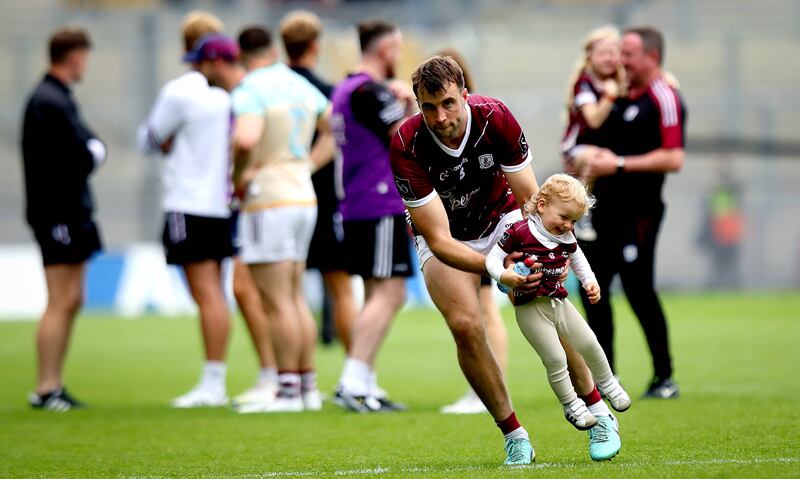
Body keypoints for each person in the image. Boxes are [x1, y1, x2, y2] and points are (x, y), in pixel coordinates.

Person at [390, 55, 623, 464]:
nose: (440, 117)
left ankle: (598, 411)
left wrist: (536, 253)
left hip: (505, 218)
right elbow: (439, 238)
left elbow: (532, 203)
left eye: (447, 103)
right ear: (418, 105)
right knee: (465, 325)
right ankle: (514, 434)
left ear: (464, 95)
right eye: (428, 107)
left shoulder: (494, 117)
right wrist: (498, 272)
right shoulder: (406, 143)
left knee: (548, 307)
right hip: (447, 235)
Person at [138, 14, 241, 408]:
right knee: (218, 293)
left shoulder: (182, 90)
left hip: (189, 202)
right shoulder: (233, 90)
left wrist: (167, 140)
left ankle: (213, 383)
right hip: (223, 203)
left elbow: (149, 138)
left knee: (207, 295)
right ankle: (229, 378)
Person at [579, 26, 686, 399]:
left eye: (629, 54)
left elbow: (674, 158)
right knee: (595, 291)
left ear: (652, 58)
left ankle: (664, 376)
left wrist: (620, 164)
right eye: (619, 53)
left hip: (640, 213)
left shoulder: (664, 96)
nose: (621, 61)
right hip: (603, 211)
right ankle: (606, 377)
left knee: (639, 290)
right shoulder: (616, 94)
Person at [231, 25, 331, 413]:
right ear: (272, 50)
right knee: (293, 295)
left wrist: (239, 175)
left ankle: (287, 391)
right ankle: (305, 387)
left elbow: (244, 138)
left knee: (276, 300)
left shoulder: (249, 89)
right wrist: (308, 164)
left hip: (268, 198)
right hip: (303, 194)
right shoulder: (295, 82)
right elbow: (331, 123)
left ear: (242, 55)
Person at [485, 174, 631, 433]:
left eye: (574, 220)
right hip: (531, 308)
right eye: (564, 217)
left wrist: (590, 282)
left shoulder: (565, 235)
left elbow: (578, 258)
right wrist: (503, 275)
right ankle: (571, 405)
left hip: (559, 302)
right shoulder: (520, 231)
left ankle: (609, 384)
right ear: (541, 206)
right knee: (555, 358)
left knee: (589, 342)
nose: (568, 226)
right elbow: (493, 258)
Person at [330, 19, 417, 413]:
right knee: (392, 292)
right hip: (380, 200)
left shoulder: (345, 89)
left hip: (356, 201)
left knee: (374, 294)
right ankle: (351, 381)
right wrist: (410, 106)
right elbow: (404, 139)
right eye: (396, 49)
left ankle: (366, 384)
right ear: (385, 51)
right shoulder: (370, 90)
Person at [23, 27, 106, 411]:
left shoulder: (59, 99)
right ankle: (45, 387)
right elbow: (78, 155)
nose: (86, 64)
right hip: (57, 212)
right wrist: (92, 154)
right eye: (85, 56)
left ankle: (54, 384)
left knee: (73, 298)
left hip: (72, 211)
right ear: (73, 56)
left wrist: (91, 151)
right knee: (60, 299)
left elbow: (88, 144)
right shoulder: (48, 101)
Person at [434, 48, 505, 416]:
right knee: (477, 311)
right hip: (460, 229)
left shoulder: (485, 120)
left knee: (484, 310)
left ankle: (488, 389)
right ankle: (486, 388)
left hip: (479, 227)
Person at [280, 10, 356, 352]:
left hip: (281, 196)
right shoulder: (330, 93)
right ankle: (356, 375)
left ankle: (293, 376)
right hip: (324, 197)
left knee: (286, 291)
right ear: (315, 45)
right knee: (340, 287)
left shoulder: (274, 92)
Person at [561, 26, 626, 242]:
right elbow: (594, 120)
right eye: (603, 53)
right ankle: (580, 211)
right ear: (590, 57)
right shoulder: (585, 85)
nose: (609, 58)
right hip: (578, 148)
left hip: (604, 150)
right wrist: (609, 96)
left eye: (613, 52)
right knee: (596, 158)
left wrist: (667, 77)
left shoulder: (621, 81)